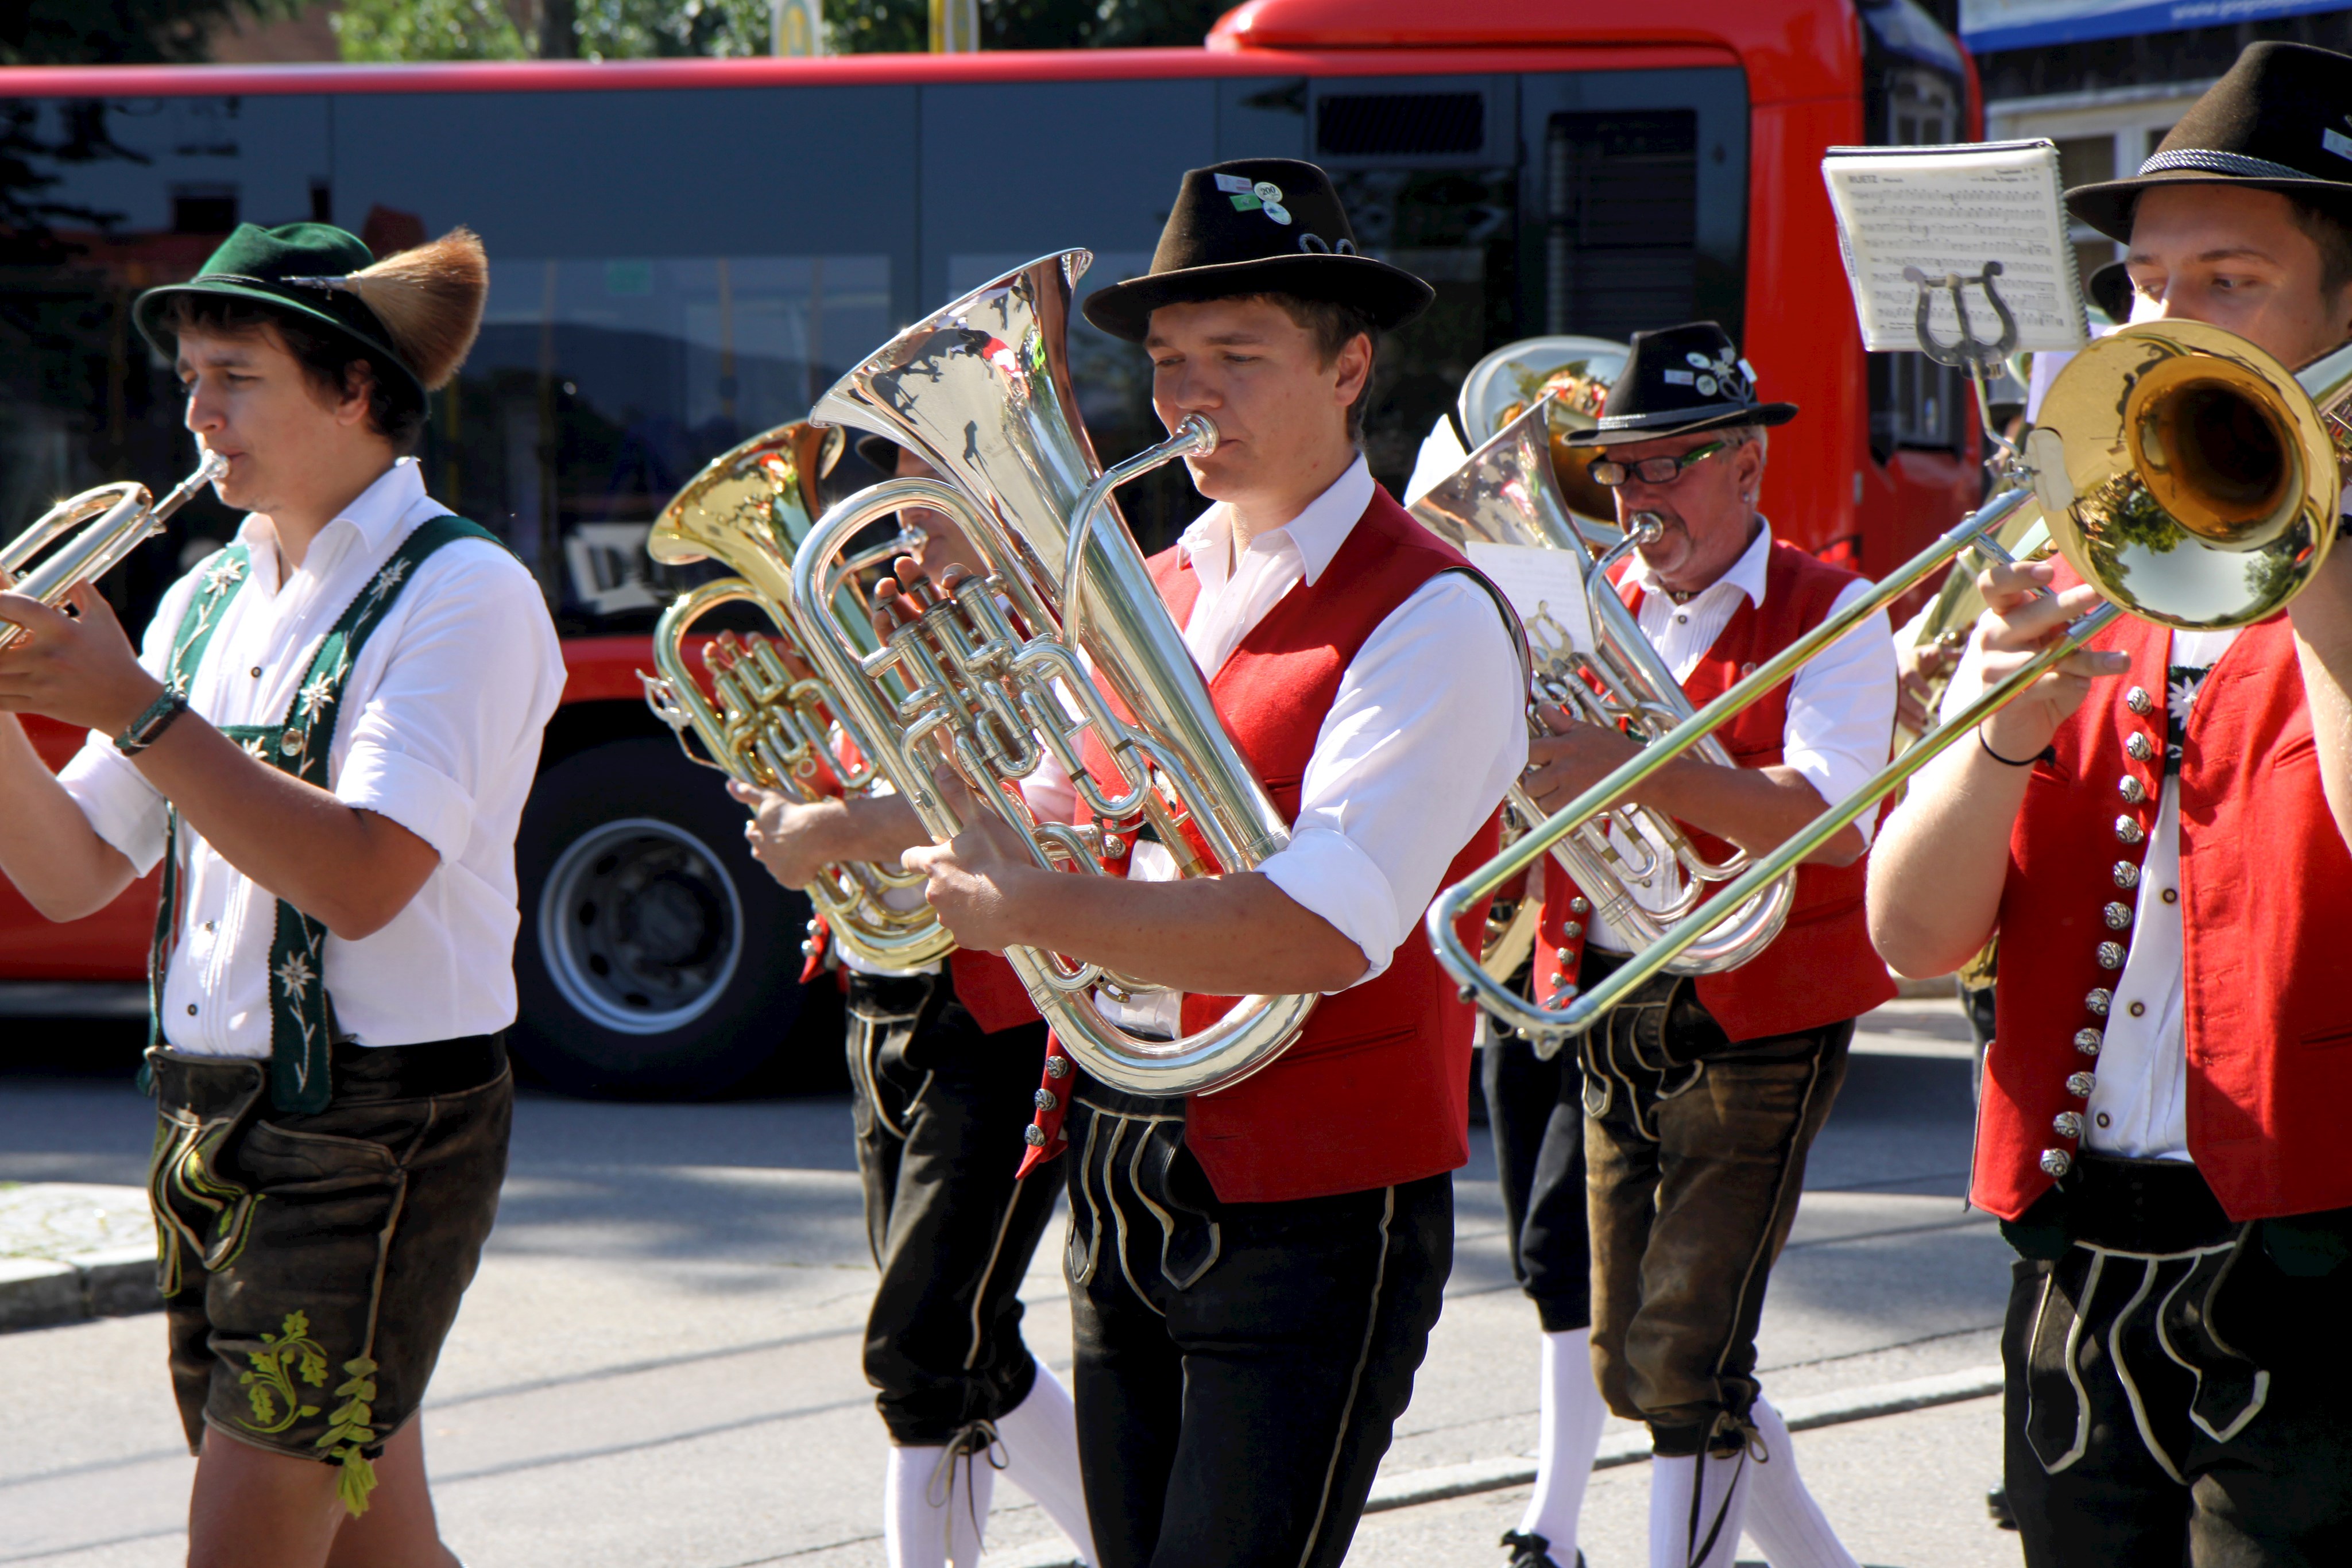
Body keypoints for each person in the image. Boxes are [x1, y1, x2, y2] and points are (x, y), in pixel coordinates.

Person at [870, 158, 1526, 1568]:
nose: (1188, 396)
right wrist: (941, 679)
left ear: (1350, 366)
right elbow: (1056, 812)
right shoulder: (1155, 582)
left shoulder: (1432, 615)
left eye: (1237, 355)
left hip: (1313, 1195)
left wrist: (1034, 900)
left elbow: (1321, 928)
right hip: (1124, 1160)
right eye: (1168, 363)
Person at [0, 220, 560, 1567]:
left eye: (233, 376)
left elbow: (364, 878)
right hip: (208, 1115)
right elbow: (72, 876)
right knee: (375, 1547)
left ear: (355, 389)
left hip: (373, 1131)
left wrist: (134, 710)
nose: (196, 414)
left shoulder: (464, 591)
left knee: (245, 1544)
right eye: (192, 375)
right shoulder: (205, 600)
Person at [1869, 40, 2352, 1565]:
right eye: (2144, 282)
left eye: (2231, 280)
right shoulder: (2070, 570)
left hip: (2318, 1272)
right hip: (2079, 1258)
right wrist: (1999, 731)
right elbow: (1912, 935)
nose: (2164, 324)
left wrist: (2314, 538)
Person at [1515, 323, 1897, 1568]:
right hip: (1621, 998)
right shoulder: (1600, 605)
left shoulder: (1829, 609)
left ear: (1744, 467)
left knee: (1680, 1361)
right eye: (1620, 473)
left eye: (1667, 467)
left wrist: (1637, 767)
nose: (1635, 499)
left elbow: (1834, 827)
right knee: (1641, 1361)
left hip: (1763, 1008)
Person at [735, 433, 1096, 1568]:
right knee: (963, 1342)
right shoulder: (897, 623)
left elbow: (1043, 799)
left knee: (918, 1345)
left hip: (1001, 1012)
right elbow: (861, 773)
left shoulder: (1060, 628)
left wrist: (839, 828)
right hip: (883, 991)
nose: (896, 528)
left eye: (920, 499)